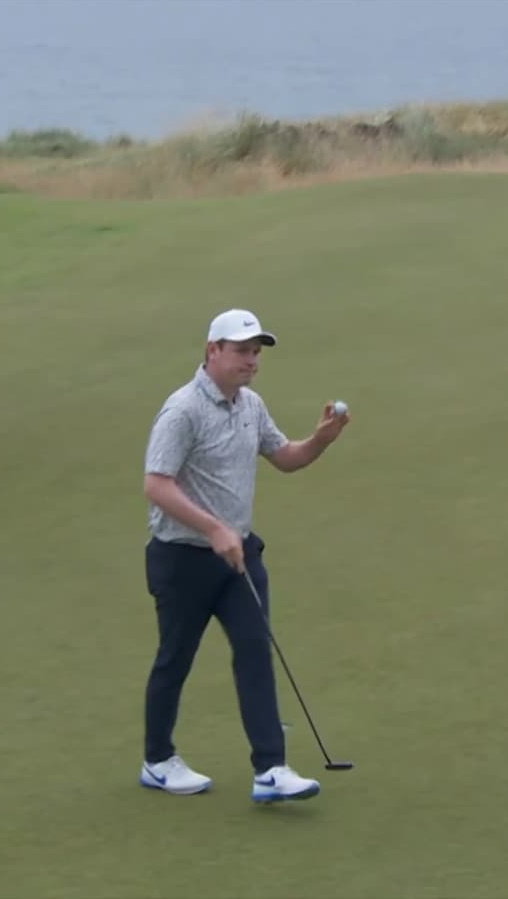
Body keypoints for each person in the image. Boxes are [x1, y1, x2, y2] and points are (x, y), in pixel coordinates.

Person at [138, 308, 350, 803]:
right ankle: (157, 760)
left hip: (237, 558)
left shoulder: (250, 404)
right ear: (212, 351)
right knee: (175, 659)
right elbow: (156, 484)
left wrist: (319, 441)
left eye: (255, 352)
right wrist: (213, 527)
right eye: (241, 351)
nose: (251, 361)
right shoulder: (182, 410)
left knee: (255, 651)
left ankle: (270, 769)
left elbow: (285, 457)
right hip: (182, 560)